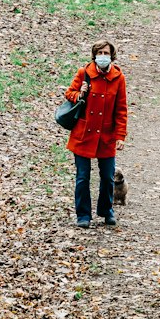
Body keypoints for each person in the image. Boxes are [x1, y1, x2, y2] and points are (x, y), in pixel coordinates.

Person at [63, 40, 128, 227]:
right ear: (94, 55)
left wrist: (120, 136)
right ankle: (83, 215)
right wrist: (79, 94)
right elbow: (69, 93)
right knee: (83, 177)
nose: (102, 56)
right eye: (99, 52)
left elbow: (121, 109)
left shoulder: (118, 78)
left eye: (106, 52)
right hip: (83, 134)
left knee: (108, 176)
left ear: (111, 55)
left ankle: (106, 210)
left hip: (106, 136)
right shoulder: (84, 73)